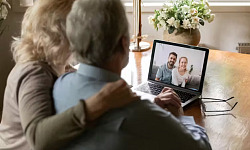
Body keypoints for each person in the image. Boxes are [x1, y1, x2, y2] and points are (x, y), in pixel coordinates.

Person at [53, 0, 212, 149]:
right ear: (124, 43)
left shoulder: (59, 85)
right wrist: (179, 118)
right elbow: (201, 147)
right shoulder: (139, 113)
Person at [0, 0, 140, 149]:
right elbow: (37, 138)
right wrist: (100, 101)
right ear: (59, 33)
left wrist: (139, 104)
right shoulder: (34, 72)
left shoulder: (60, 65)